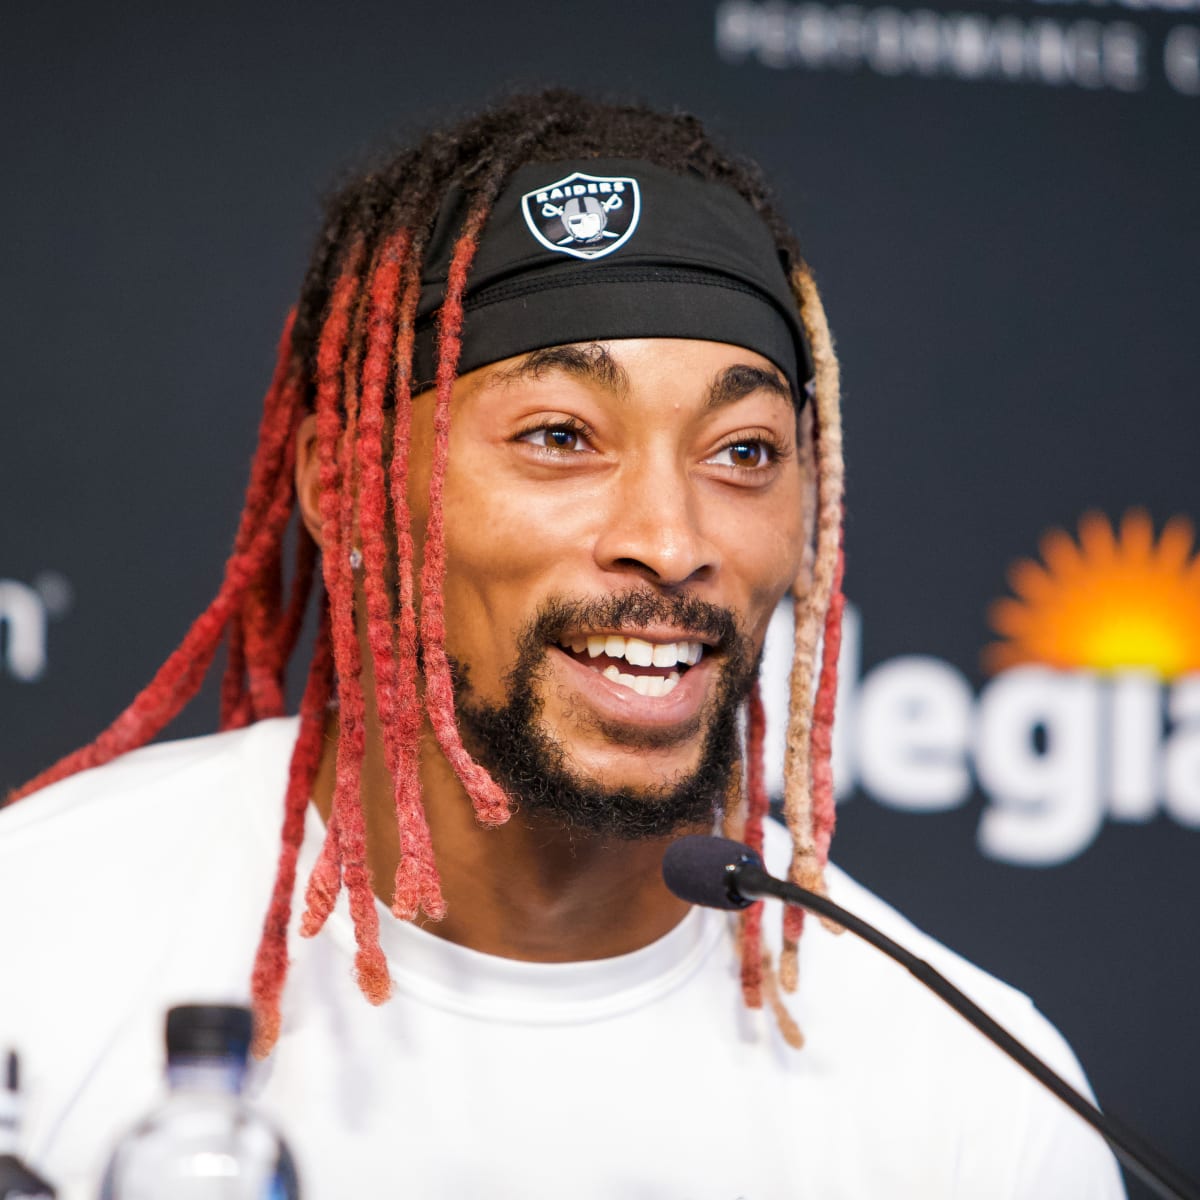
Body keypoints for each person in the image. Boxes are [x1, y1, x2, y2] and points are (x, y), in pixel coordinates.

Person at [0, 90, 1123, 1198]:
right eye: (559, 437)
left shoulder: (983, 1113)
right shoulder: (34, 934)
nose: (670, 541)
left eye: (741, 452)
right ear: (343, 487)